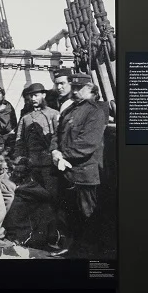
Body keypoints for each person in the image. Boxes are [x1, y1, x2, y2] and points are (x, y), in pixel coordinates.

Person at [52, 76, 108, 256]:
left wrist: (64, 154)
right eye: (74, 87)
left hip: (85, 173)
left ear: (91, 90)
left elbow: (88, 143)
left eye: (80, 88)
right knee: (69, 214)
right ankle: (70, 248)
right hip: (67, 171)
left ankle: (89, 253)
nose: (75, 91)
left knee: (88, 214)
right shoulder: (69, 110)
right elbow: (57, 134)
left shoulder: (95, 112)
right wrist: (55, 152)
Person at [13, 83, 60, 196]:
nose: (33, 99)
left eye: (36, 95)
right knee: (35, 194)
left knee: (51, 193)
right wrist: (19, 159)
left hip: (49, 163)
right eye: (31, 96)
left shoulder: (53, 114)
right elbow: (20, 140)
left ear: (43, 95)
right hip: (32, 163)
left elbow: (59, 137)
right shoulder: (26, 118)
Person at [3, 156, 59, 248]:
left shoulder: (34, 180)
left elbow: (42, 193)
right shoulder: (9, 179)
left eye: (22, 173)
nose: (18, 175)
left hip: (33, 203)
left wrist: (23, 190)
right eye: (16, 172)